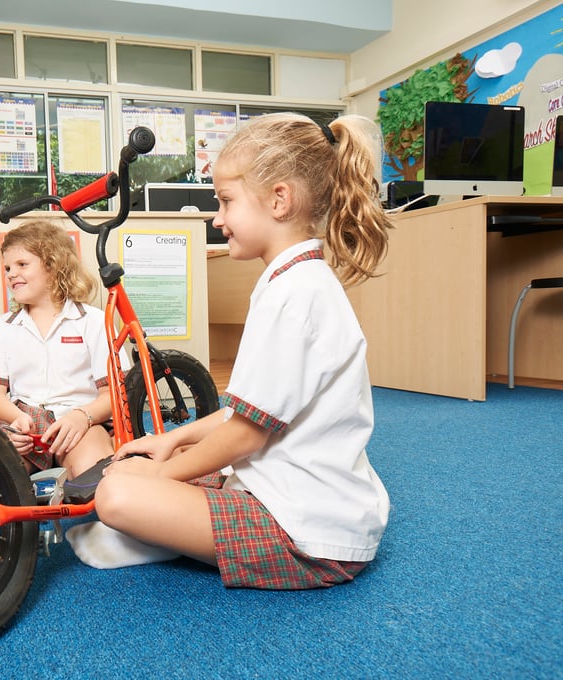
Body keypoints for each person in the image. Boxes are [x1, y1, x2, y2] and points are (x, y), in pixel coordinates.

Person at [67, 113, 393, 589]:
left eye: (226, 201)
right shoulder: (294, 280)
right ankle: (159, 523)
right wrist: (173, 441)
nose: (216, 218)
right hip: (296, 501)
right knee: (139, 465)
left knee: (117, 494)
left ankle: (149, 533)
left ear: (280, 200)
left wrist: (167, 476)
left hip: (310, 537)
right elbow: (250, 412)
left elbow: (245, 435)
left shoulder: (294, 294)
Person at [0, 220, 131, 480]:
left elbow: (115, 394)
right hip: (23, 423)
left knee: (92, 475)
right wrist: (16, 420)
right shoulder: (4, 327)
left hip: (80, 420)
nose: (11, 274)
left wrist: (83, 417)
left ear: (53, 266)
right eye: (7, 268)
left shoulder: (93, 321)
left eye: (22, 265)